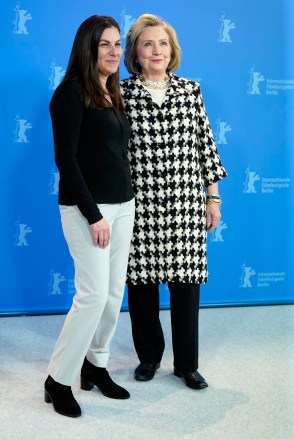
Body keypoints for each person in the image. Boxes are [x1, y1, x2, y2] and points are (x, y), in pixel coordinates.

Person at [121, 14, 227, 390]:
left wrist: (212, 197)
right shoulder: (121, 94)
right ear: (135, 51)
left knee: (186, 286)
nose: (156, 50)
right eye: (147, 43)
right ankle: (148, 357)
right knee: (142, 285)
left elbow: (206, 148)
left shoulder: (190, 90)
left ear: (172, 50)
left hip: (184, 203)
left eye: (162, 43)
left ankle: (187, 365)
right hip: (140, 204)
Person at [45, 15, 135, 417]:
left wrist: (121, 206)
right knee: (92, 295)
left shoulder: (112, 92)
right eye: (106, 45)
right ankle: (58, 379)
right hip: (88, 212)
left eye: (118, 44)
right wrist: (94, 214)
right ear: (88, 48)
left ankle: (95, 365)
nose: (116, 52)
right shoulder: (71, 93)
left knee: (114, 294)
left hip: (123, 207)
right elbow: (66, 160)